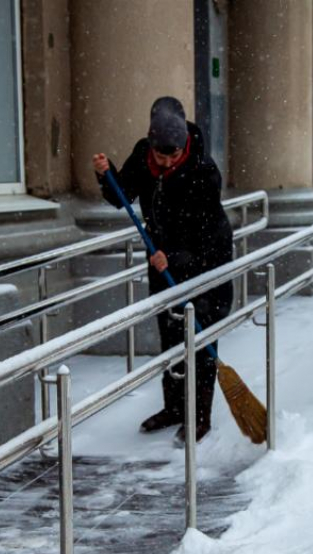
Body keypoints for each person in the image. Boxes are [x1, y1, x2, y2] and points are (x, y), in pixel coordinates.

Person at [91, 96, 233, 444]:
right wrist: (106, 175)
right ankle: (174, 407)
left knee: (199, 341)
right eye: (160, 155)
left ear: (184, 143)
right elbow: (123, 193)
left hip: (204, 266)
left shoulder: (203, 171)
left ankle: (200, 418)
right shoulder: (144, 155)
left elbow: (206, 234)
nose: (167, 162)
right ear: (151, 145)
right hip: (162, 266)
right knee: (170, 338)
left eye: (173, 155)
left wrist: (175, 257)